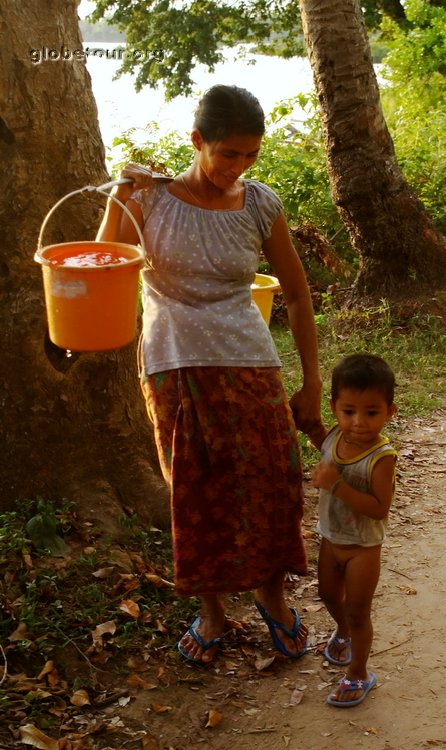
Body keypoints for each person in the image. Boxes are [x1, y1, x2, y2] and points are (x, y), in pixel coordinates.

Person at [97, 84, 324, 664]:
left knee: (268, 486)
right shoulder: (150, 199)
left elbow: (296, 295)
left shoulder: (260, 204)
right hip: (173, 365)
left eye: (251, 155)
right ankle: (212, 612)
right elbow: (105, 264)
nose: (239, 167)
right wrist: (119, 193)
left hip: (251, 364)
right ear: (198, 141)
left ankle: (273, 603)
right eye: (229, 154)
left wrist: (312, 380)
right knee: (193, 491)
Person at [311, 353, 397, 706]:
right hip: (330, 540)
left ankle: (359, 673)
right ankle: (342, 632)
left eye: (371, 412)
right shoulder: (334, 437)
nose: (359, 422)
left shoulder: (382, 457)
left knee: (359, 610)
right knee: (330, 596)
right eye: (349, 412)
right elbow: (319, 438)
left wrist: (337, 486)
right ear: (334, 408)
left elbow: (380, 508)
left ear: (389, 412)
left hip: (363, 548)